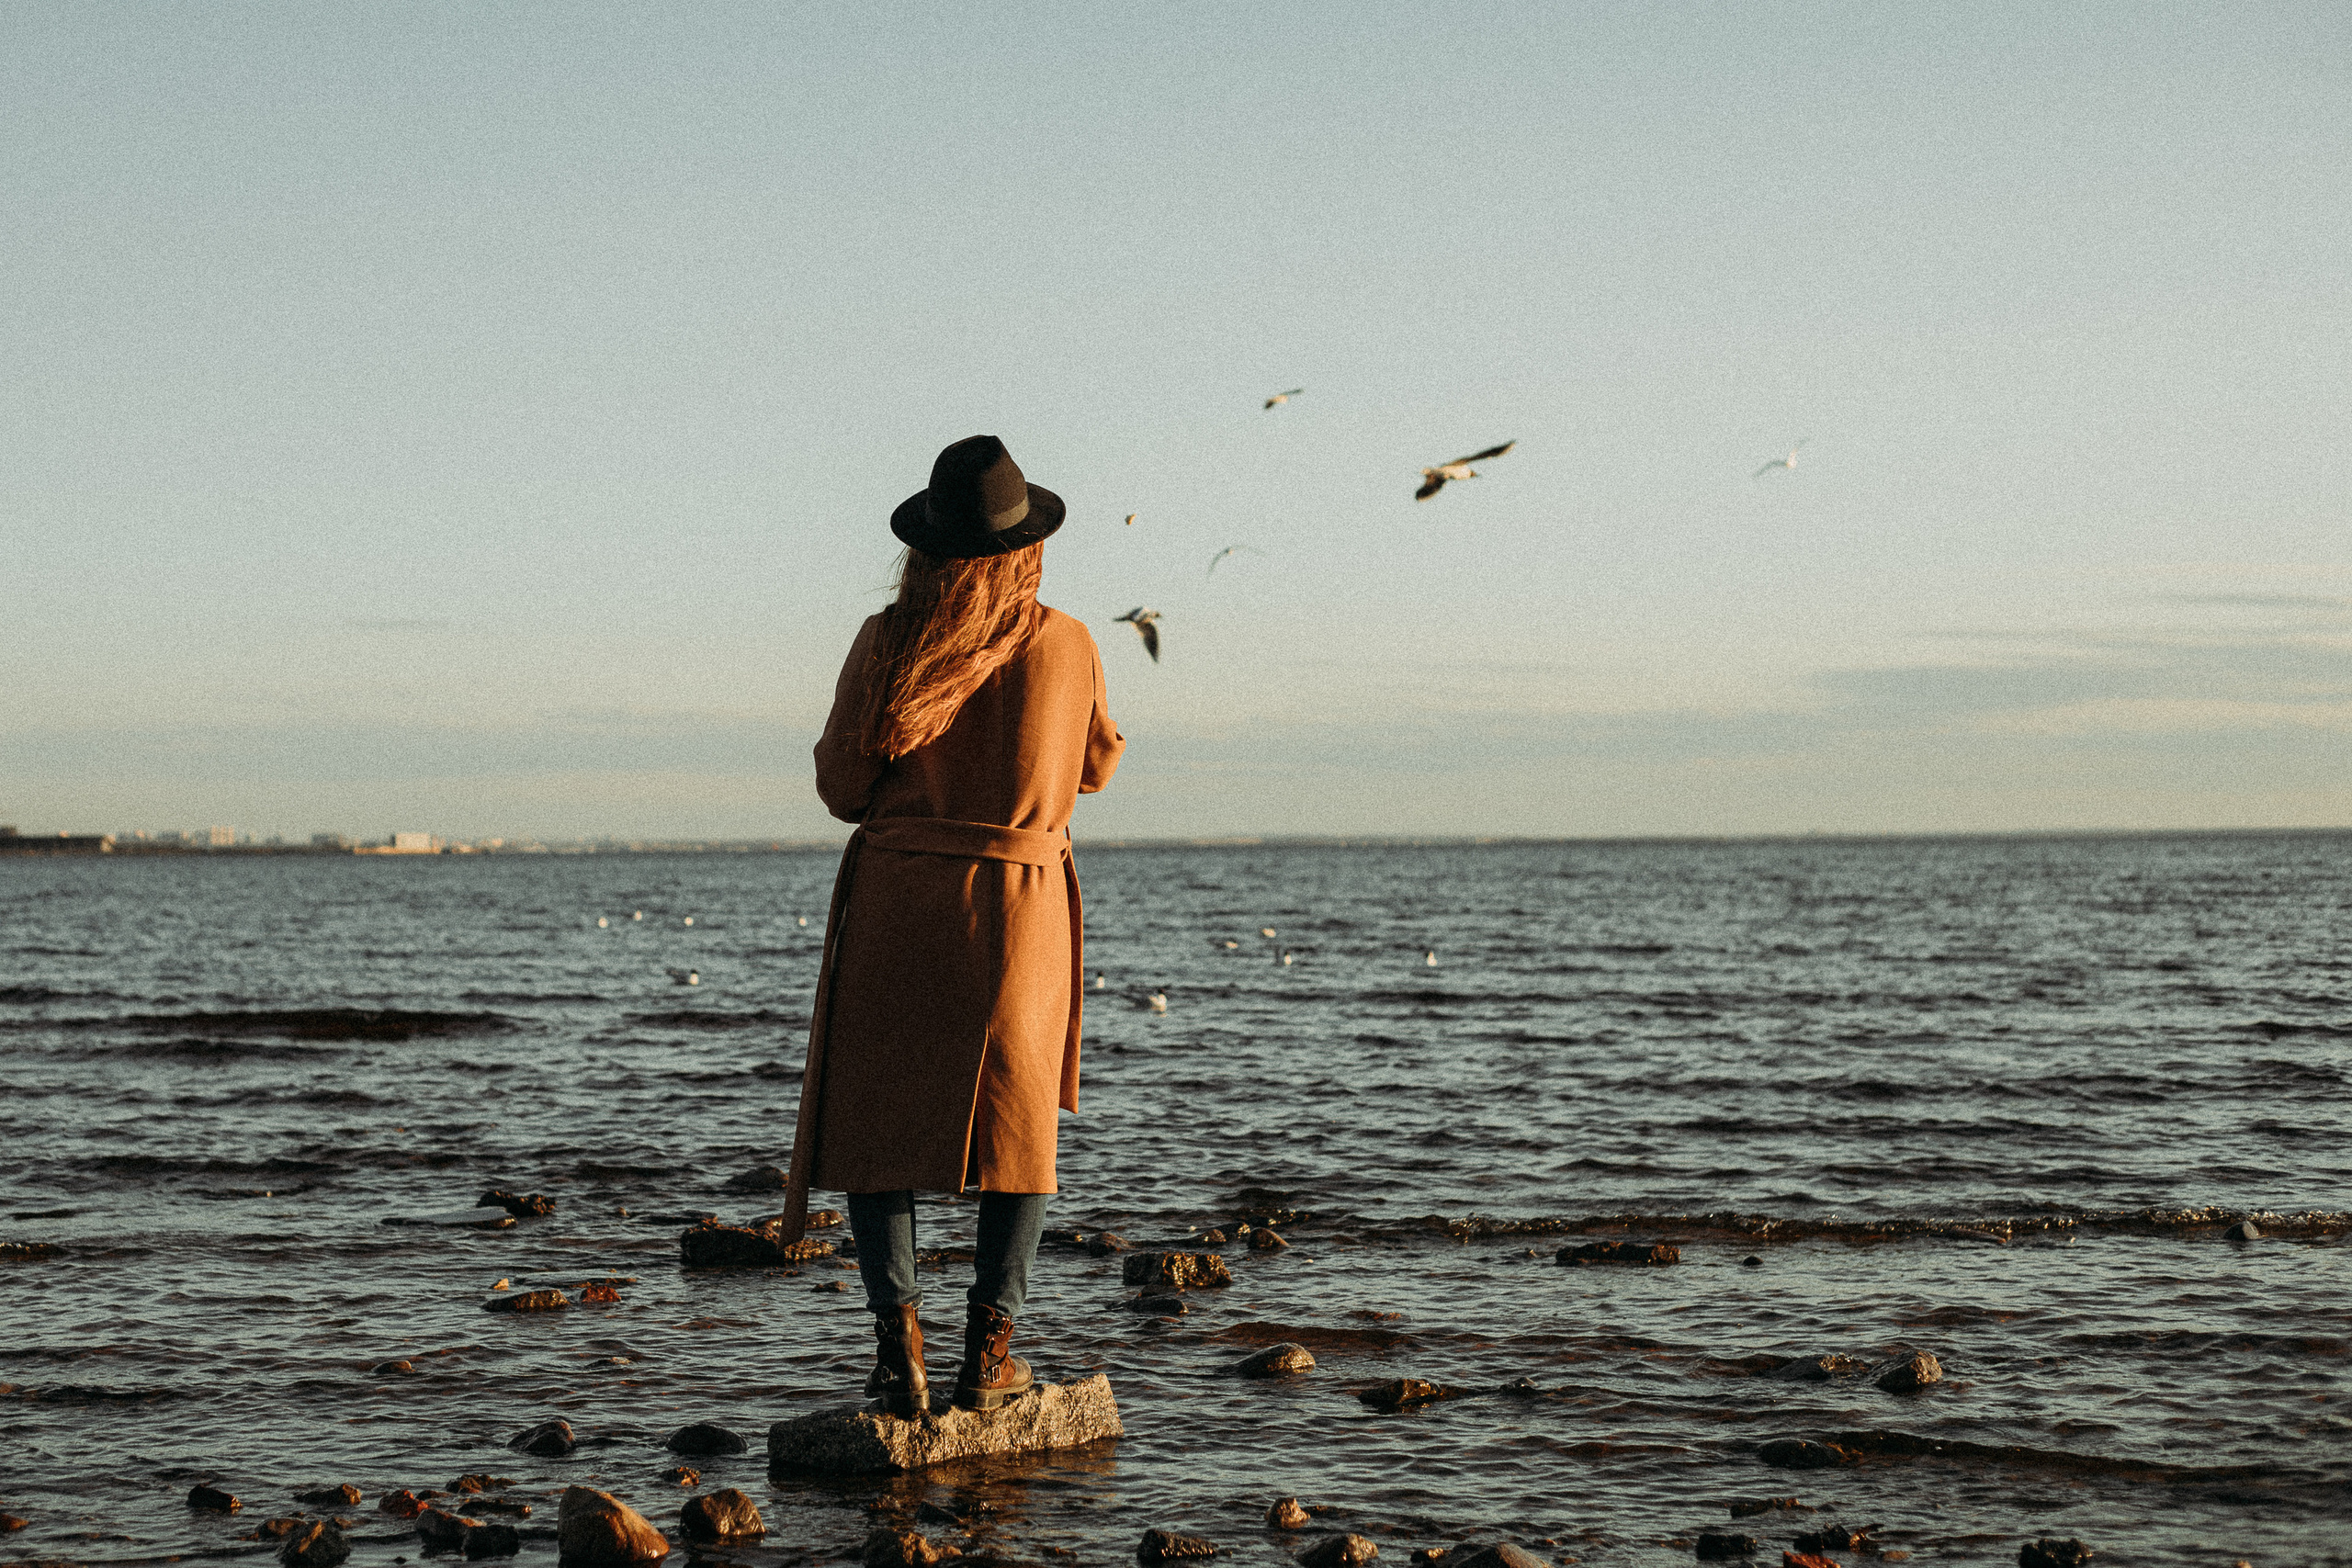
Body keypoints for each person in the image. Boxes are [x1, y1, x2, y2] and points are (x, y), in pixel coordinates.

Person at [778, 434, 1124, 1417]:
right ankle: (990, 1354)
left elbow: (842, 788)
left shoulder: (887, 639)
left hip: (899, 903)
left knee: (876, 1127)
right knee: (1019, 1128)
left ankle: (901, 1359)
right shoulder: (1068, 641)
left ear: (923, 550)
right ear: (1028, 547)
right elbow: (1096, 767)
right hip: (1020, 908)